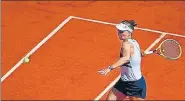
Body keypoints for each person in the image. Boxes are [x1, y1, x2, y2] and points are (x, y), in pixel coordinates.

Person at [98, 20, 146, 100]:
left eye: (122, 31)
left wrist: (110, 68)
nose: (119, 33)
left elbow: (126, 59)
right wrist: (140, 54)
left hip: (134, 84)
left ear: (129, 32)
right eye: (119, 31)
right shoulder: (134, 42)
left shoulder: (126, 44)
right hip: (124, 81)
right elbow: (134, 55)